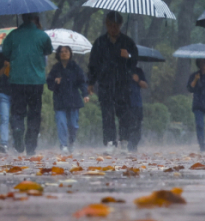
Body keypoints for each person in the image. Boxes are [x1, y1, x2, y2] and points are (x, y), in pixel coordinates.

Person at [2, 13, 53, 156]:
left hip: (17, 79)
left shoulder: (13, 35)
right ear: (36, 19)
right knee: (34, 113)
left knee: (18, 111)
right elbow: (48, 50)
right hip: (36, 81)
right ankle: (30, 146)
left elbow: (5, 52)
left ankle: (18, 131)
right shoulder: (42, 36)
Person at [88, 11, 139, 155]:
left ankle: (124, 141)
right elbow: (93, 64)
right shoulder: (99, 43)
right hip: (105, 83)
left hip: (123, 84)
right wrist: (91, 82)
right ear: (106, 25)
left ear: (120, 25)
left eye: (116, 25)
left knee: (123, 113)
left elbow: (134, 62)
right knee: (107, 113)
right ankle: (110, 142)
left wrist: (127, 56)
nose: (113, 28)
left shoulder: (127, 42)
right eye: (110, 25)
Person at [47, 46, 89, 154]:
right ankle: (63, 145)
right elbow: (49, 85)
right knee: (61, 123)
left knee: (73, 125)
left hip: (73, 100)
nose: (64, 53)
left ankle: (71, 142)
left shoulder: (75, 67)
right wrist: (55, 82)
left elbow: (82, 82)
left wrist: (85, 94)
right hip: (60, 101)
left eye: (66, 51)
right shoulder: (56, 68)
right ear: (58, 54)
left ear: (70, 53)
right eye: (61, 52)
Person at [187, 58, 205, 152]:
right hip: (198, 104)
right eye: (201, 63)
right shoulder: (194, 75)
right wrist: (196, 79)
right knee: (199, 125)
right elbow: (190, 88)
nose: (203, 64)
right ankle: (202, 146)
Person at [128, 65, 147, 152]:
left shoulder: (138, 71)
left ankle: (134, 145)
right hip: (125, 103)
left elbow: (145, 85)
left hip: (137, 103)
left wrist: (138, 80)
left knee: (137, 126)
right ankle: (127, 145)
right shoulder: (120, 69)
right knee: (128, 125)